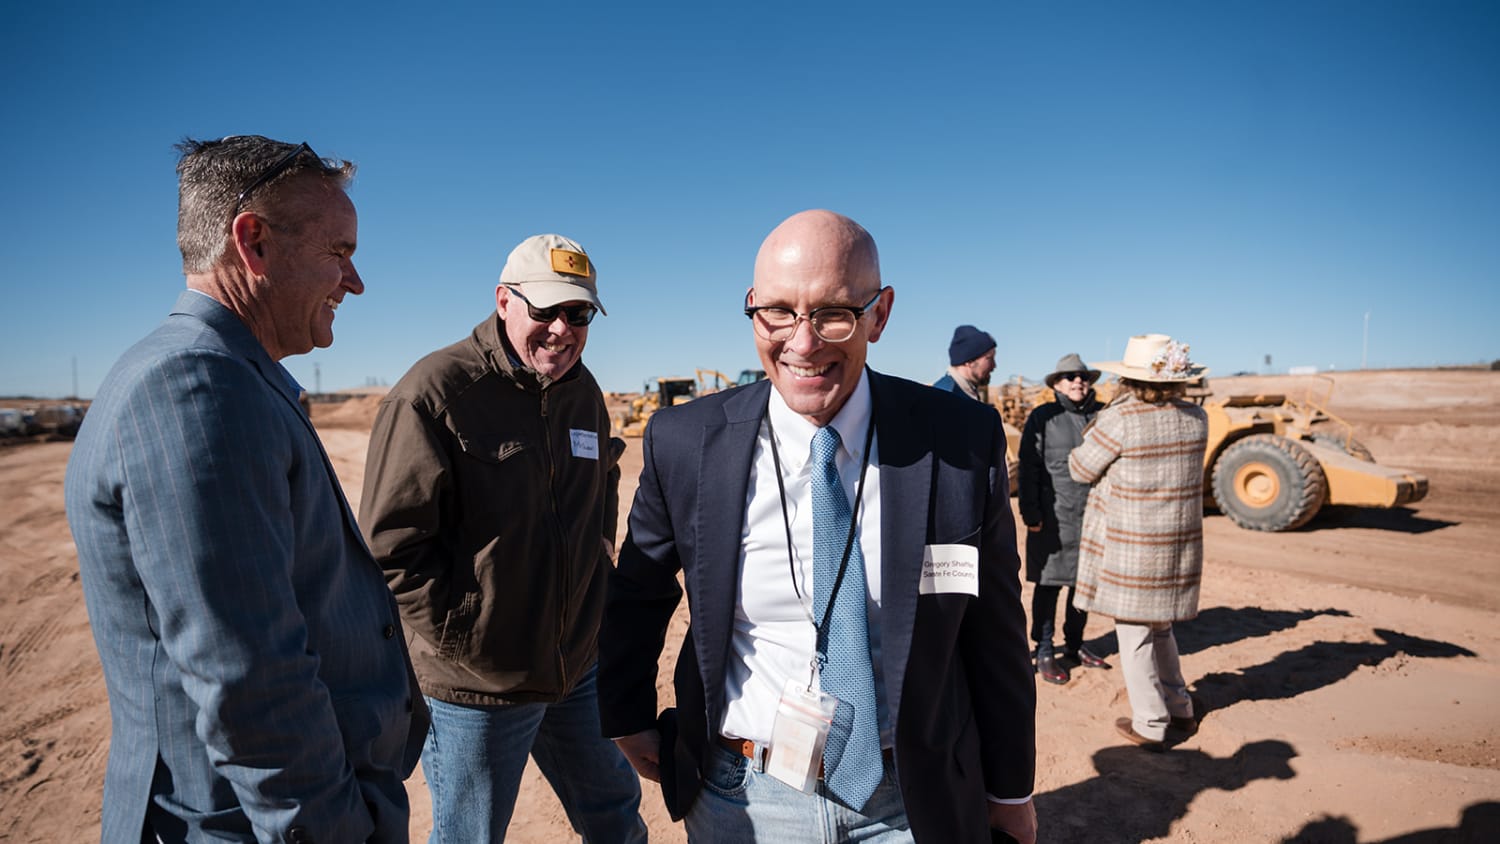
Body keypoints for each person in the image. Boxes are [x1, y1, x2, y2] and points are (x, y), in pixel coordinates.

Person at [598, 209, 1037, 844]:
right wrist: (628, 712)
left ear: (878, 315)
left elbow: (994, 627)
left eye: (833, 313)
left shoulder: (958, 442)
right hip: (743, 798)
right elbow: (639, 590)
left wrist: (1010, 790)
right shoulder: (685, 441)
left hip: (913, 801)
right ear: (752, 309)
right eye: (776, 311)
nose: (801, 343)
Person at [64, 135, 427, 842]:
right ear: (253, 242)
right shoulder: (193, 389)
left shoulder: (231, 377)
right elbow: (250, 679)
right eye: (340, 253)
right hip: (245, 825)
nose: (353, 283)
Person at [360, 233, 647, 843]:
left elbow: (604, 476)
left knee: (617, 818)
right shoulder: (434, 394)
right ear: (503, 301)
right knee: (471, 835)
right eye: (546, 311)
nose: (562, 329)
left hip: (576, 668)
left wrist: (600, 548)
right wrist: (467, 635)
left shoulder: (583, 392)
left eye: (579, 314)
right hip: (479, 686)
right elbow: (392, 547)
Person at [1068, 334, 1210, 751]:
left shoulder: (1123, 418)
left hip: (1133, 547)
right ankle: (1179, 706)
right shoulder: (1197, 417)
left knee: (1134, 635)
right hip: (1176, 545)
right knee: (1161, 626)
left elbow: (1080, 468)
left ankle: (1150, 722)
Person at [1018, 353, 1108, 685]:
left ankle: (1074, 645)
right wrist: (1030, 512)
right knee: (1049, 584)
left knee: (1082, 586)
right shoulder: (1043, 417)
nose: (1077, 381)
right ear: (1057, 384)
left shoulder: (1104, 415)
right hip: (1052, 517)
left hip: (1094, 517)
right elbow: (1029, 466)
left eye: (1082, 376)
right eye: (1069, 376)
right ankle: (1043, 648)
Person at [933, 324, 997, 403]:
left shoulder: (965, 393)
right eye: (989, 358)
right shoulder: (945, 396)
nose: (994, 366)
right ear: (969, 362)